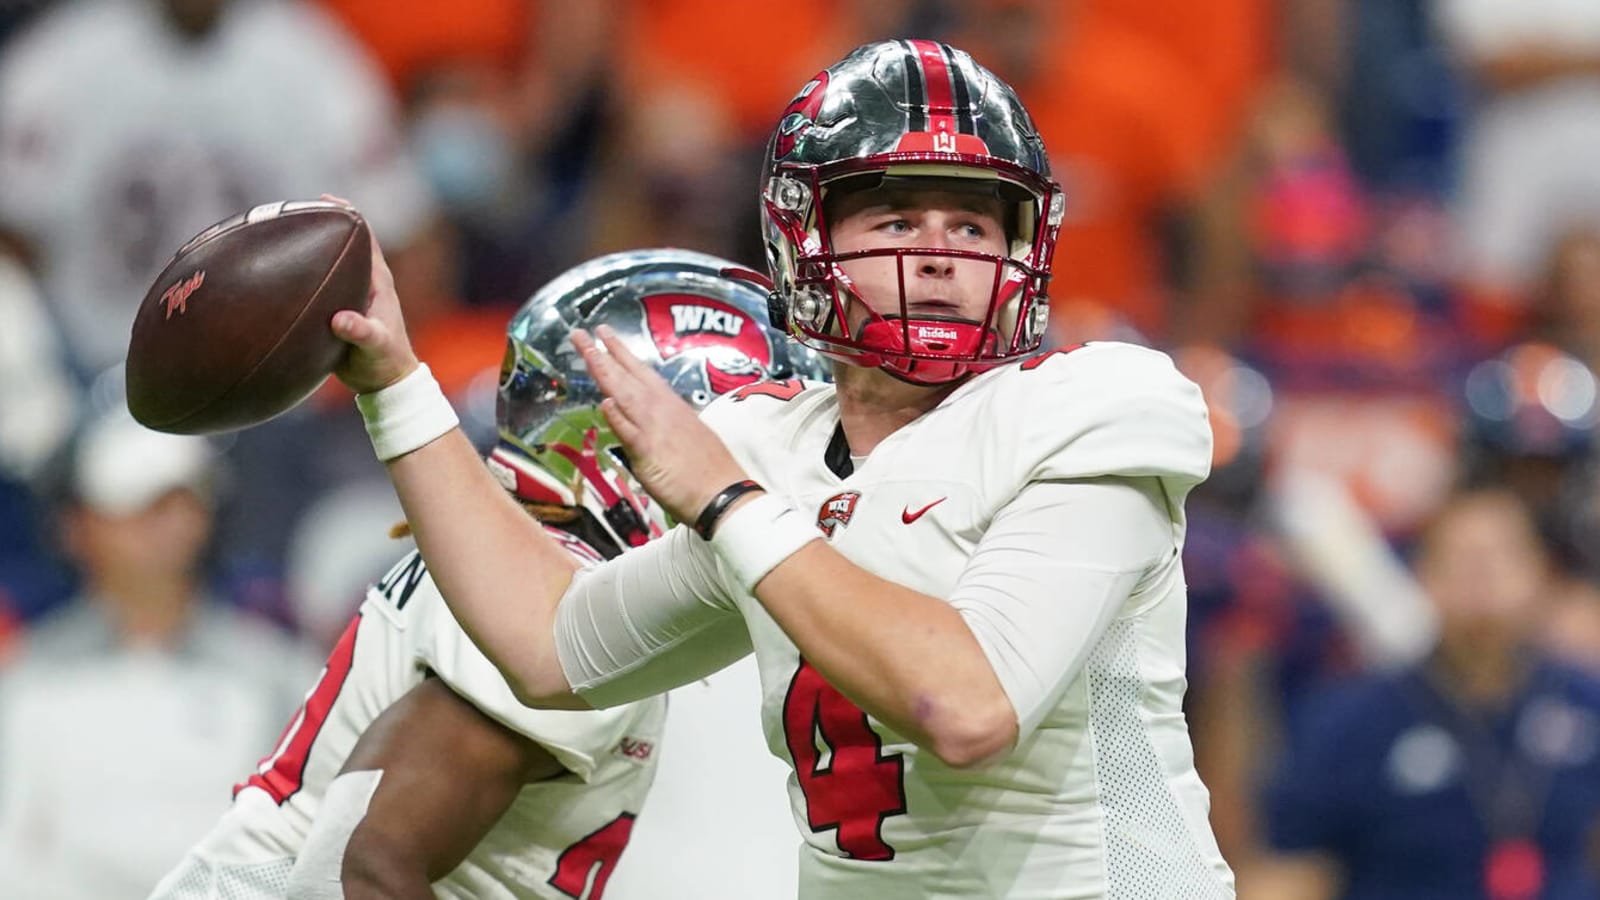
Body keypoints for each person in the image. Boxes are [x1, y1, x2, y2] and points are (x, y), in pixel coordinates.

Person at [328, 41, 1233, 897]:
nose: (939, 254)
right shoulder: (775, 445)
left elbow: (968, 705)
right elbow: (552, 650)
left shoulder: (1095, 404)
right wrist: (398, 387)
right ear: (807, 244)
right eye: (896, 219)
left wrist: (728, 502)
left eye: (971, 223)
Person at [146, 249, 818, 899]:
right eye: (750, 443)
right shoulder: (561, 607)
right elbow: (356, 870)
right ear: (624, 441)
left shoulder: (508, 561)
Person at [0, 412, 320, 899]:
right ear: (77, 526)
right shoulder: (27, 676)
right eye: (141, 506)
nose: (167, 525)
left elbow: (304, 843)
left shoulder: (276, 672)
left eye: (182, 502)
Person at [1249, 487, 1600, 900]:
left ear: (1542, 572)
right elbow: (1289, 872)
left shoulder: (1584, 701)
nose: (1483, 578)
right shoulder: (1349, 720)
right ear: (1423, 575)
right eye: (1464, 560)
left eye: (1501, 556)